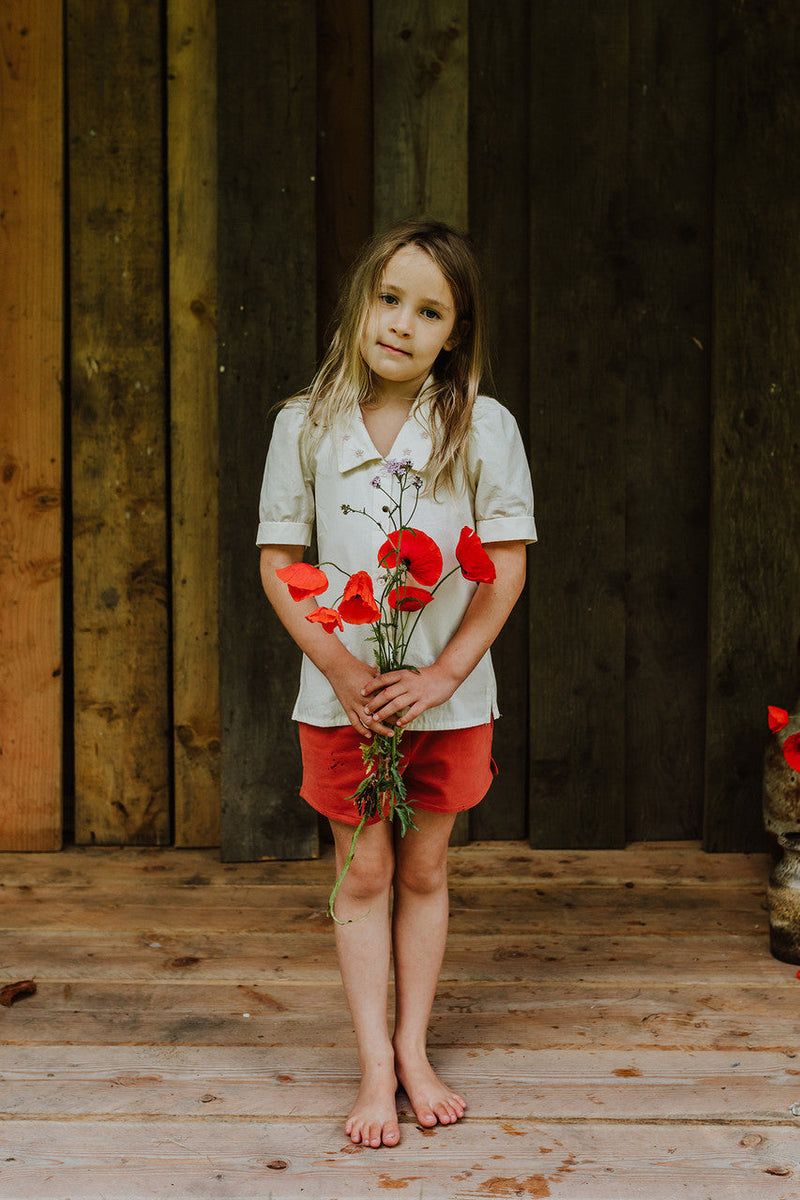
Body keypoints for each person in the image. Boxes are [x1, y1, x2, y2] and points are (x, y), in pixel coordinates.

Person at [257, 219, 536, 1148]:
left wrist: (444, 671)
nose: (402, 325)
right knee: (364, 868)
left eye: (430, 312)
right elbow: (279, 560)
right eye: (390, 299)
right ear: (361, 301)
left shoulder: (482, 426)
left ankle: (416, 1049)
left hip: (446, 700)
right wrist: (339, 668)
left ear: (453, 333)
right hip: (343, 697)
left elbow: (504, 562)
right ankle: (374, 1065)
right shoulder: (305, 424)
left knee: (423, 866)